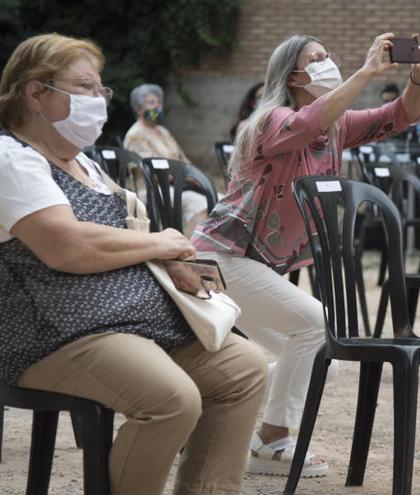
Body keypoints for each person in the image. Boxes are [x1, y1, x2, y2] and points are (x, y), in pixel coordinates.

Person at [0, 33, 267, 494]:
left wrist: (169, 255)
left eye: (99, 90)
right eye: (83, 87)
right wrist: (158, 244)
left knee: (244, 368)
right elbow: (65, 246)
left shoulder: (86, 165)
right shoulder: (11, 158)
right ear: (36, 93)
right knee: (172, 398)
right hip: (57, 331)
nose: (98, 100)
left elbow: (124, 238)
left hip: (132, 322)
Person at [192, 32, 420, 477]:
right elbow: (306, 125)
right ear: (294, 74)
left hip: (252, 264)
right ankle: (272, 441)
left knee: (321, 360)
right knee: (317, 328)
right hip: (221, 257)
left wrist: (419, 78)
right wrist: (365, 72)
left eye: (329, 55)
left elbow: (400, 117)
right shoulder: (270, 119)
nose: (328, 63)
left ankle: (215, 407)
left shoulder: (336, 126)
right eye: (316, 59)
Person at [123, 83, 213, 237]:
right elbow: (152, 173)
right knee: (200, 204)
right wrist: (185, 178)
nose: (157, 107)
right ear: (138, 108)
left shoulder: (162, 131)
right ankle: (192, 253)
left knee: (217, 198)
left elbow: (182, 158)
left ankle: (204, 249)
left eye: (159, 102)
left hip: (177, 184)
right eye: (151, 103)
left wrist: (196, 177)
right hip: (152, 190)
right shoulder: (135, 134)